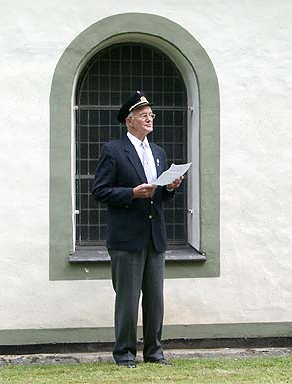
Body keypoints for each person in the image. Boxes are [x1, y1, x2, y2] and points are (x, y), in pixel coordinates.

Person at [92, 91, 183, 368]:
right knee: (128, 301)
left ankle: (155, 353)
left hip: (154, 238)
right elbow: (100, 191)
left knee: (155, 300)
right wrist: (131, 193)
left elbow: (158, 196)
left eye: (151, 115)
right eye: (144, 116)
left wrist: (169, 188)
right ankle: (125, 354)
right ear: (129, 121)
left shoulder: (158, 152)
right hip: (126, 238)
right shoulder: (113, 150)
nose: (150, 119)